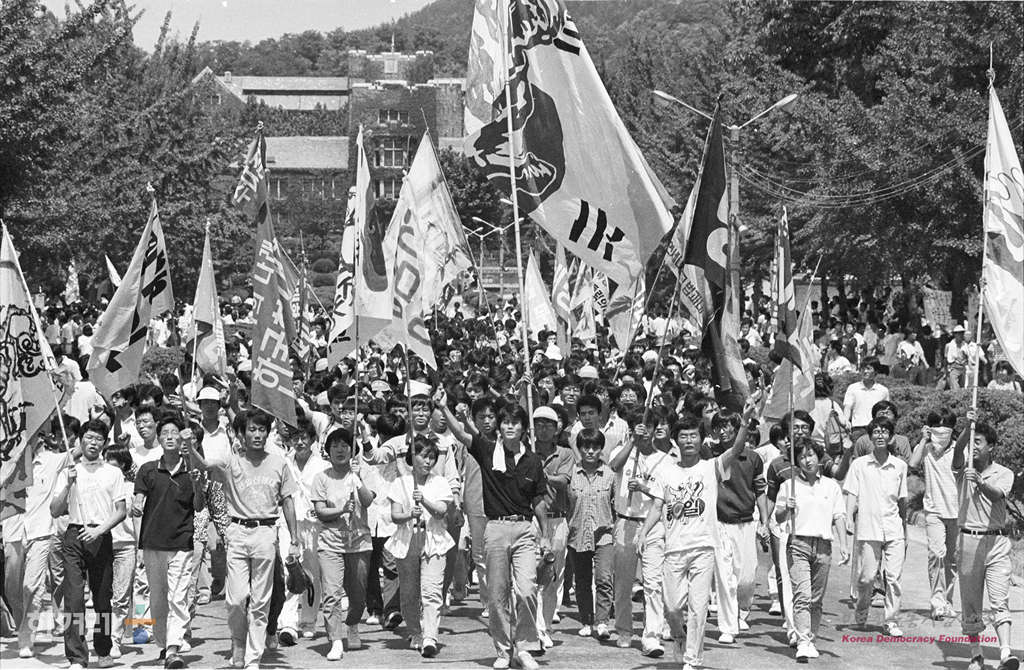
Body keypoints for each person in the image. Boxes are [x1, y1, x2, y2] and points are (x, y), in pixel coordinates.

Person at [639, 395, 760, 670]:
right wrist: (643, 532)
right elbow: (657, 506)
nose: (689, 441)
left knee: (698, 608)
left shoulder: (711, 467)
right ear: (676, 440)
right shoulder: (667, 472)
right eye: (684, 436)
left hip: (703, 548)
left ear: (700, 439)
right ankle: (679, 636)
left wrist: (745, 420)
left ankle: (692, 659)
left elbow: (736, 449)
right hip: (674, 549)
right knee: (672, 607)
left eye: (694, 436)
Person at [195, 409, 300, 670]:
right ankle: (238, 641)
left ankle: (253, 657)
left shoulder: (278, 463)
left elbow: (288, 501)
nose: (257, 434)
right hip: (237, 532)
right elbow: (203, 465)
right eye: (252, 429)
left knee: (261, 601)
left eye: (262, 429)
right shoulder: (230, 462)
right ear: (241, 434)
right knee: (236, 599)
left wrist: (295, 540)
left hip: (266, 532)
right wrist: (188, 447)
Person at [50, 419, 128, 670]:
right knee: (73, 599)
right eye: (89, 438)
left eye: (99, 439)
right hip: (74, 535)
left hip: (101, 535)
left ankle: (103, 649)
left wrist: (98, 531)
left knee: (103, 598)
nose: (93, 443)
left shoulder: (113, 473)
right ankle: (76, 657)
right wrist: (68, 484)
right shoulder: (69, 471)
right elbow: (55, 510)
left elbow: (121, 511)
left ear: (105, 443)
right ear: (80, 441)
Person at [132, 413, 206, 669]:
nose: (170, 437)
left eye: (175, 433)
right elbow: (139, 497)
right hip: (153, 543)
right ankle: (164, 644)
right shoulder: (148, 469)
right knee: (158, 599)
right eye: (165, 433)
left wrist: (197, 486)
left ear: (183, 439)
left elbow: (198, 506)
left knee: (178, 597)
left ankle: (174, 648)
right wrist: (136, 505)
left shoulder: (192, 471)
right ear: (159, 438)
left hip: (181, 543)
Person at [952, 413, 1019, 670]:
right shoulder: (962, 469)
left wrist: (980, 482)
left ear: (991, 446)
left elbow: (997, 495)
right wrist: (966, 427)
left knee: (1000, 599)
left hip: (996, 543)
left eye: (978, 442)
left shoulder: (1004, 473)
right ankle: (976, 654)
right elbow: (957, 450)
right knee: (970, 602)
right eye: (972, 442)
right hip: (968, 541)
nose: (974, 446)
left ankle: (1005, 654)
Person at [774, 438, 850, 662]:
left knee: (816, 599)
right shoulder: (789, 486)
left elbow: (839, 516)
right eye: (801, 457)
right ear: (796, 461)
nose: (806, 460)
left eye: (810, 455)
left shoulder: (830, 486)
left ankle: (810, 638)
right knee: (803, 595)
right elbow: (778, 516)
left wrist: (844, 545)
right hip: (798, 544)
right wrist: (786, 509)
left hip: (823, 546)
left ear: (818, 457)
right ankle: (803, 642)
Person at [386, 434, 454, 658]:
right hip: (407, 540)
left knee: (431, 590)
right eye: (424, 456)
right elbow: (395, 516)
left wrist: (423, 500)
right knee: (409, 593)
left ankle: (430, 637)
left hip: (434, 539)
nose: (428, 461)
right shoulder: (400, 483)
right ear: (412, 457)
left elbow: (441, 511)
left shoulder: (440, 482)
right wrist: (409, 514)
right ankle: (415, 631)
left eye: (432, 457)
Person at [704, 409, 768, 645]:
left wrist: (765, 521)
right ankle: (728, 626)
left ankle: (743, 608)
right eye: (717, 427)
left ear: (737, 428)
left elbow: (760, 491)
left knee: (746, 579)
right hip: (718, 522)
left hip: (746, 522)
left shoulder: (753, 458)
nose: (722, 431)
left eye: (726, 426)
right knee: (725, 577)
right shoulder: (709, 454)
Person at [311, 428, 375, 661]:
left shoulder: (362, 472)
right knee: (332, 594)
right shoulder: (321, 478)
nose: (340, 450)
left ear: (352, 450)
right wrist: (341, 510)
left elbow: (368, 501)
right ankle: (336, 640)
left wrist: (358, 480)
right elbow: (320, 511)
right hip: (330, 543)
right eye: (335, 445)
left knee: (358, 595)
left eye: (345, 445)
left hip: (359, 542)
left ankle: (353, 623)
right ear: (328, 451)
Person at [844, 416, 908, 637]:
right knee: (867, 577)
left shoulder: (899, 466)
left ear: (891, 437)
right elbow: (852, 493)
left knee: (893, 577)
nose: (880, 435)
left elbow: (902, 501)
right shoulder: (860, 465)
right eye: (877, 431)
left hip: (893, 528)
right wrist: (849, 518)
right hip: (868, 528)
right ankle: (861, 611)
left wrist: (905, 528)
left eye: (885, 431)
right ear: (870, 437)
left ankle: (891, 620)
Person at [3, 434, 65, 659]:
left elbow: (79, 453)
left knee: (32, 586)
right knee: (12, 588)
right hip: (13, 530)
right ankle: (23, 626)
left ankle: (26, 636)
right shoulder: (6, 461)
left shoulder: (52, 460)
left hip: (40, 531)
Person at [531, 405, 576, 651]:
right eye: (538, 424)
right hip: (531, 520)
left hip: (557, 520)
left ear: (556, 428)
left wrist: (540, 473)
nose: (543, 429)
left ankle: (546, 626)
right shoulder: (525, 450)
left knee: (552, 577)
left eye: (548, 425)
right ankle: (534, 628)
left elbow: (563, 481)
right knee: (531, 576)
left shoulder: (565, 453)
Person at [907, 408, 959, 620]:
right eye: (937, 426)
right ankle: (937, 601)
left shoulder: (959, 449)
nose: (941, 431)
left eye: (946, 427)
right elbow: (912, 463)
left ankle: (948, 601)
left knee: (952, 560)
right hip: (934, 510)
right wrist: (923, 438)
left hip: (956, 511)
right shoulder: (926, 449)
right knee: (936, 555)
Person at [565, 428, 615, 640]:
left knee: (604, 578)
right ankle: (586, 620)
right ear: (580, 448)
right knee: (582, 580)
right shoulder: (572, 474)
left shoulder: (610, 475)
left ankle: (602, 621)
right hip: (578, 534)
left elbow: (615, 505)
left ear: (601, 449)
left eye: (595, 447)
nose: (591, 451)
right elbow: (566, 503)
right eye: (586, 447)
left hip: (604, 534)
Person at [843, 359, 890, 441]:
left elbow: (886, 411)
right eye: (863, 368)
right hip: (858, 429)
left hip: (877, 429)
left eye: (868, 368)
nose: (865, 371)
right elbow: (847, 407)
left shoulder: (883, 390)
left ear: (876, 371)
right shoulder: (853, 388)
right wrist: (846, 421)